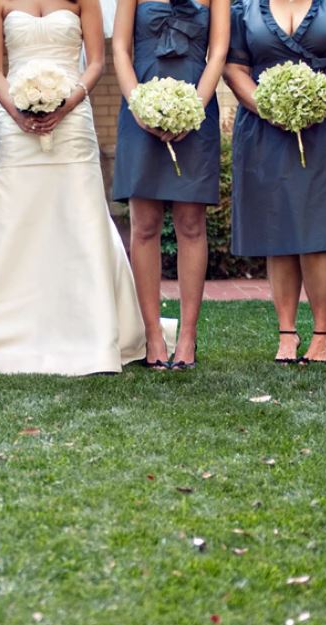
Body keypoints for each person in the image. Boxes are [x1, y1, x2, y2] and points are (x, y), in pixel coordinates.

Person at [0, 0, 151, 375]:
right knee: (10, 216)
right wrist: (17, 111)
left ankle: (90, 330)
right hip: (14, 120)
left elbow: (97, 63)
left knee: (77, 217)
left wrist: (66, 103)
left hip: (72, 124)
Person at [223, 0, 326, 364]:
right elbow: (233, 65)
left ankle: (323, 333)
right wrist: (267, 107)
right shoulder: (245, 6)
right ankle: (287, 332)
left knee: (319, 230)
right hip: (265, 130)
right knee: (279, 230)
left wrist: (322, 101)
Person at [111, 0, 229, 370]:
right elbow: (119, 48)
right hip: (140, 109)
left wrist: (194, 107)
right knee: (144, 225)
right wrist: (139, 106)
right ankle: (153, 335)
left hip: (197, 107)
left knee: (191, 224)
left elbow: (219, 50)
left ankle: (189, 336)